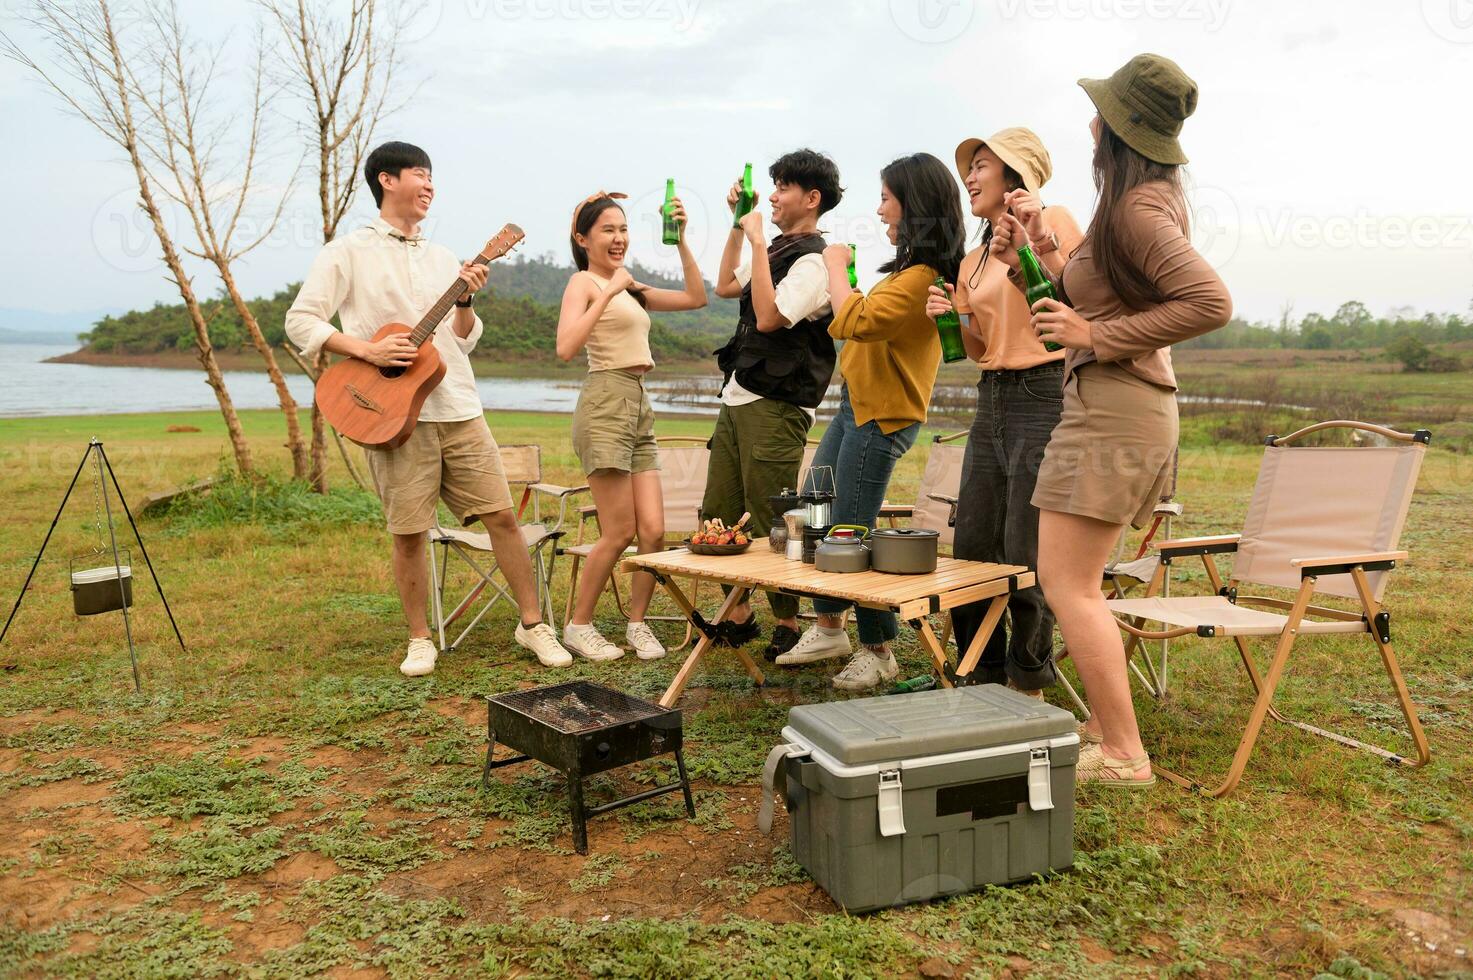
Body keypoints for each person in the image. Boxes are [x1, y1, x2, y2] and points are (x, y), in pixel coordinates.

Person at [286, 141, 574, 677]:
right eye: (420, 174)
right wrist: (368, 350)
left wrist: (464, 301)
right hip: (391, 414)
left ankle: (532, 623)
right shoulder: (346, 252)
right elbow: (301, 322)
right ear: (387, 180)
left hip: (459, 405)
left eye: (433, 177)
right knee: (409, 530)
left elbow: (460, 342)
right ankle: (420, 638)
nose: (430, 185)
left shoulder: (445, 258)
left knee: (503, 517)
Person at [1027, 54, 1232, 786]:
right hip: (1111, 406)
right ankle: (1102, 727)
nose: (1090, 117)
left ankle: (1123, 755)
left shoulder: (1138, 208)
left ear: (1119, 127)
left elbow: (1210, 302)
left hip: (1116, 410)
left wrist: (1094, 338)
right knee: (1077, 578)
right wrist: (1046, 247)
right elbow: (1105, 291)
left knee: (1067, 582)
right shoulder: (1140, 198)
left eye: (1103, 109)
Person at [776, 153, 966, 691]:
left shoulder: (922, 278)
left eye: (886, 198)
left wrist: (835, 268)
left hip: (882, 417)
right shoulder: (904, 273)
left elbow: (853, 322)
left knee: (849, 529)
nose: (879, 209)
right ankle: (831, 624)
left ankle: (879, 647)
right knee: (817, 512)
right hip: (857, 405)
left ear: (915, 205)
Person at [925, 128, 1083, 697]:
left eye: (982, 166)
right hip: (991, 393)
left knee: (1026, 545)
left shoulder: (1054, 221)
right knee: (972, 541)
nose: (969, 176)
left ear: (1016, 175)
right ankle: (979, 672)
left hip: (1044, 391)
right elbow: (978, 347)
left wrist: (1037, 237)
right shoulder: (973, 257)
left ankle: (1027, 678)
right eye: (969, 168)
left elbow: (1077, 296)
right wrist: (949, 316)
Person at [556, 190, 708, 662]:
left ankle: (637, 623)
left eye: (623, 229)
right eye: (608, 229)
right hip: (604, 400)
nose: (619, 238)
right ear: (582, 238)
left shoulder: (630, 285)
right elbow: (565, 348)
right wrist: (608, 290)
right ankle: (578, 626)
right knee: (618, 531)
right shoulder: (584, 283)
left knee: (655, 531)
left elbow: (696, 297)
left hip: (639, 404)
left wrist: (681, 240)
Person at [706, 149, 844, 661]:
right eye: (774, 185)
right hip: (739, 392)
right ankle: (738, 615)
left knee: (775, 517)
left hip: (779, 402)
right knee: (718, 511)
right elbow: (725, 287)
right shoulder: (777, 247)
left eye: (783, 187)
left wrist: (760, 239)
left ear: (812, 199)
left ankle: (787, 619)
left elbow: (769, 317)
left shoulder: (813, 260)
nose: (773, 195)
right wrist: (739, 230)